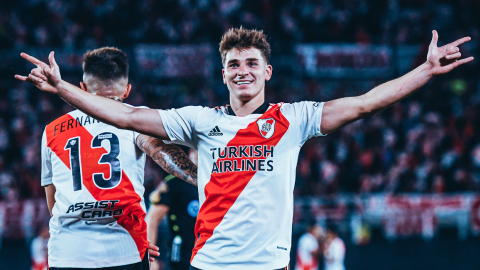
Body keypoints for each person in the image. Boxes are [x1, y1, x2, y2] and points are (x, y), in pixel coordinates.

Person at [16, 27, 472, 270]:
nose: (242, 71)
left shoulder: (293, 119)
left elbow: (367, 103)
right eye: (233, 64)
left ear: (268, 71)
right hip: (210, 266)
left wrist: (425, 72)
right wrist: (63, 91)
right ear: (223, 74)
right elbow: (130, 118)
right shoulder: (202, 121)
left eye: (252, 63)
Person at [22, 47, 197, 270]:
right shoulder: (136, 119)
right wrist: (204, 179)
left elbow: (53, 201)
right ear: (127, 90)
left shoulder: (52, 130)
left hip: (68, 253)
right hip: (125, 249)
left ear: (82, 88)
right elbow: (161, 154)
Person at [146, 149, 199, 270]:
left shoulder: (218, 182)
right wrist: (150, 258)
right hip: (182, 255)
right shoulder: (175, 182)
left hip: (212, 253)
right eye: (196, 152)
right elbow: (152, 219)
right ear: (190, 155)